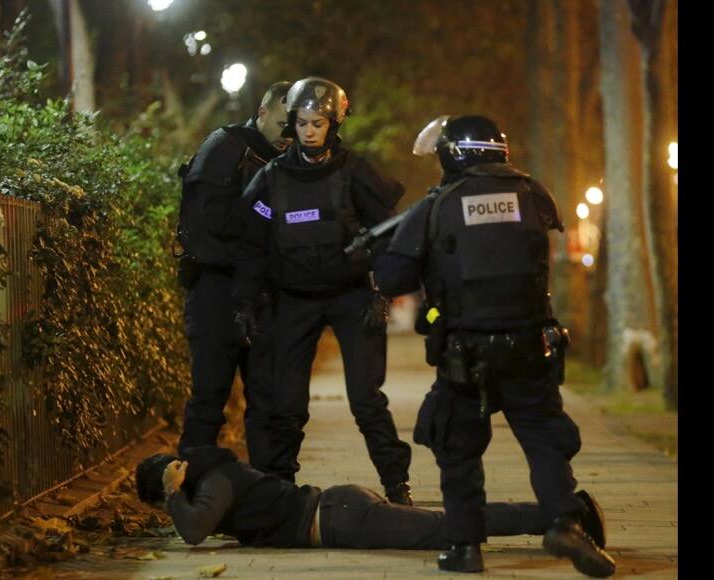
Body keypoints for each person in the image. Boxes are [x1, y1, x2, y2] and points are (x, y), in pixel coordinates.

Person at [373, 115, 615, 577]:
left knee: (457, 445)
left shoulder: (437, 205)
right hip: (530, 345)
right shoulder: (533, 193)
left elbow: (392, 278)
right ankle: (565, 522)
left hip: (465, 353)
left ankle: (465, 547)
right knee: (545, 439)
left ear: (451, 155)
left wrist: (386, 251)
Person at [233, 77, 412, 504]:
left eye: (318, 123)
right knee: (287, 403)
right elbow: (253, 243)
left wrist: (382, 292)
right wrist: (246, 302)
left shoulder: (355, 172)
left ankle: (396, 484)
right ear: (292, 124)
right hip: (295, 299)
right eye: (302, 123)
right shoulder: (272, 179)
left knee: (366, 400)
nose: (309, 131)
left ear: (334, 124)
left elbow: (388, 235)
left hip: (351, 295)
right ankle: (279, 489)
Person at [134, 446, 607, 555]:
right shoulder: (215, 478)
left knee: (452, 526)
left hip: (341, 518)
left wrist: (173, 494)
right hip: (341, 513)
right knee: (448, 524)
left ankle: (567, 511)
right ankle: (561, 512)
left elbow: (193, 531)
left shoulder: (214, 481)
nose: (167, 510)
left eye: (162, 502)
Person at [173, 81, 292, 467]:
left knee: (269, 403)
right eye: (282, 125)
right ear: (262, 113)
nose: (289, 135)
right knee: (209, 396)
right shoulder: (225, 148)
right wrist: (264, 214)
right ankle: (192, 485)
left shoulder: (292, 158)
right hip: (217, 288)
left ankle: (273, 491)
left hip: (265, 294)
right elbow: (213, 221)